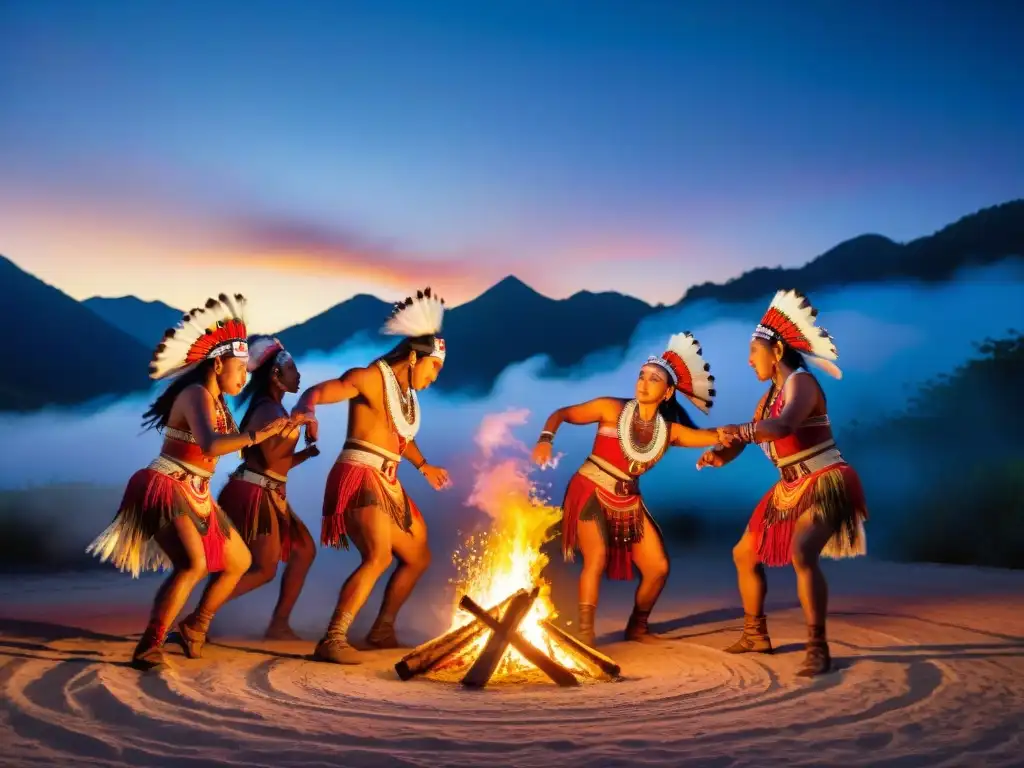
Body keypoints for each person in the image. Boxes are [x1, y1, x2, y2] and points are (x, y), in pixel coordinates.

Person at [87, 294, 305, 670]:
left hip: (197, 493)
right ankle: (149, 645)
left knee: (239, 561)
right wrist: (257, 435)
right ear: (218, 363)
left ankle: (195, 626)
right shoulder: (196, 394)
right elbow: (211, 444)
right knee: (193, 564)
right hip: (165, 486)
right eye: (239, 369)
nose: (245, 376)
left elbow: (232, 449)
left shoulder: (218, 400)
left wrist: (282, 431)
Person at [700, 289, 867, 676]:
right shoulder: (766, 398)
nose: (748, 360)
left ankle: (817, 646)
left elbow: (782, 426)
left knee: (802, 552)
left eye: (753, 352)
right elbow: (753, 434)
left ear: (776, 351)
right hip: (788, 487)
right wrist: (721, 455)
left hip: (825, 479)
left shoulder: (802, 384)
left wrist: (739, 430)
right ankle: (755, 634)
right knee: (744, 554)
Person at [532, 333, 730, 645]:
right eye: (641, 375)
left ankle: (637, 627)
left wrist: (746, 432)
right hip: (590, 489)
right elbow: (563, 414)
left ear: (668, 392)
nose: (643, 383)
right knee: (595, 558)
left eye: (654, 379)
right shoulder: (610, 408)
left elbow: (713, 435)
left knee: (658, 567)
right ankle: (585, 635)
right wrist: (546, 438)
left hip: (628, 500)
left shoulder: (670, 432)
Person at [292, 288, 451, 664]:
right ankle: (333, 638)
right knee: (378, 556)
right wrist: (306, 407)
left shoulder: (406, 396)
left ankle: (382, 629)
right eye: (434, 368)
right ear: (415, 357)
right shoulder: (367, 378)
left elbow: (400, 437)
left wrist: (424, 465)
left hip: (389, 480)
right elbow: (321, 390)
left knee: (417, 556)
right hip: (359, 474)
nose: (435, 378)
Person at [217, 335, 320, 640]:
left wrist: (306, 451)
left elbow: (278, 464)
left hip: (268, 491)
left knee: (303, 550)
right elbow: (272, 457)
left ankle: (279, 623)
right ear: (275, 374)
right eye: (292, 369)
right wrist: (300, 423)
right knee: (263, 569)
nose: (298, 375)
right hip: (253, 493)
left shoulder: (277, 411)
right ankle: (196, 618)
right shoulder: (267, 411)